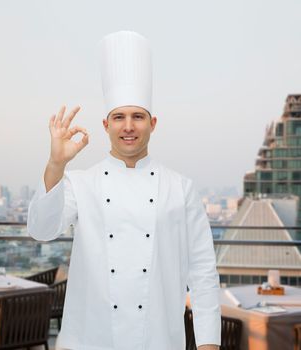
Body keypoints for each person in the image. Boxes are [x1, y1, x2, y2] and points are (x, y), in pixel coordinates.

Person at [27, 31, 221, 350]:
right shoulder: (82, 183)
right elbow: (41, 230)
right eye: (119, 117)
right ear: (106, 125)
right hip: (88, 341)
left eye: (137, 117)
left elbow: (202, 270)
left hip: (159, 340)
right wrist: (55, 164)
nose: (128, 126)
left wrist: (209, 344)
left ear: (153, 123)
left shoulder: (181, 189)